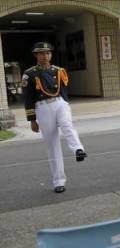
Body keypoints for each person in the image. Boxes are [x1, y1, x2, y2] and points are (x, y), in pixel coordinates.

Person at [22, 42, 87, 193]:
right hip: (42, 107)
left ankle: (78, 149)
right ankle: (59, 181)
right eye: (41, 53)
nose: (45, 56)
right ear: (36, 55)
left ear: (51, 55)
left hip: (59, 103)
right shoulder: (29, 74)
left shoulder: (58, 70)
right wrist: (32, 120)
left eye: (48, 53)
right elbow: (27, 98)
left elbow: (63, 90)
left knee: (67, 125)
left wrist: (65, 105)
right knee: (52, 145)